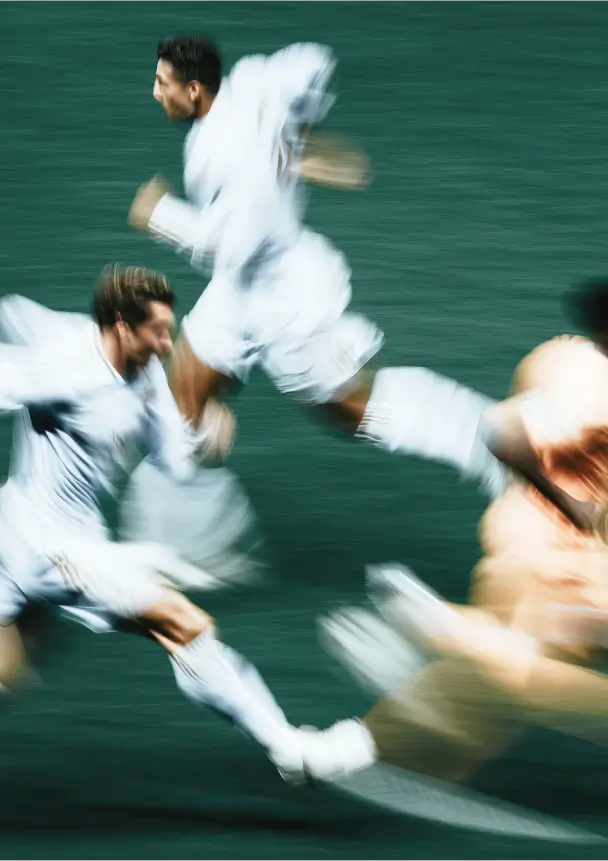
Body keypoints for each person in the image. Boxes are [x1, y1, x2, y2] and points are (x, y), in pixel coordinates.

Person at [128, 36, 505, 504]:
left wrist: (160, 214)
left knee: (353, 412)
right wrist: (297, 136)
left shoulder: (224, 157)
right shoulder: (251, 80)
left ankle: (489, 440)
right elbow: (313, 62)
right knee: (180, 406)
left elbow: (229, 248)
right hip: (237, 294)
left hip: (285, 302)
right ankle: (191, 534)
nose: (155, 92)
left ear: (194, 91)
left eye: (163, 83)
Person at [0, 265, 307, 779]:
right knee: (185, 626)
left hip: (15, 532)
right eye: (158, 330)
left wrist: (202, 436)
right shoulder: (64, 371)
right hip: (55, 551)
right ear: (122, 326)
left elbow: (172, 460)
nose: (169, 342)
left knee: (9, 672)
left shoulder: (142, 373)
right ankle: (288, 748)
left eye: (170, 327)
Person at [303, 277, 608, 783]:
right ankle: (460, 635)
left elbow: (500, 432)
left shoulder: (561, 360)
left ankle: (352, 746)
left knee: (492, 700)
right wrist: (576, 507)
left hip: (523, 546)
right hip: (569, 566)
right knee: (525, 674)